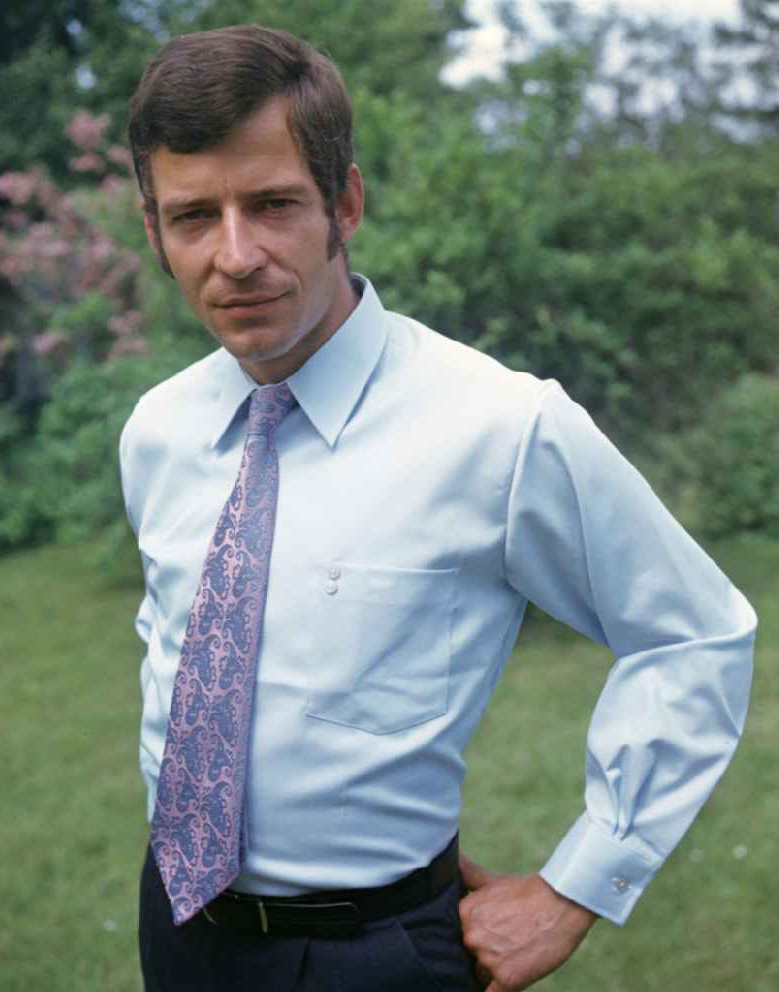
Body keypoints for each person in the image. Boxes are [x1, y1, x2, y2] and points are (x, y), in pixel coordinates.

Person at [119, 23, 756, 992]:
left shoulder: (497, 427)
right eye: (193, 215)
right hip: (173, 921)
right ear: (154, 228)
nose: (235, 253)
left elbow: (693, 635)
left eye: (274, 204)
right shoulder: (158, 429)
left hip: (371, 954)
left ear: (346, 203)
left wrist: (574, 884)